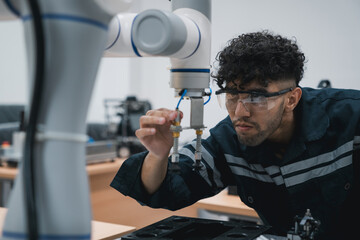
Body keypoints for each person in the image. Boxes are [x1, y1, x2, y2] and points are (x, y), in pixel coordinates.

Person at [110, 30, 360, 239]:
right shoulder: (229, 139)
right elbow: (170, 188)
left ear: (292, 99)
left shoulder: (351, 119)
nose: (240, 112)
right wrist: (158, 155)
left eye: (256, 97)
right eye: (231, 96)